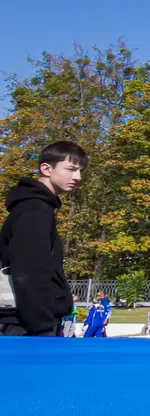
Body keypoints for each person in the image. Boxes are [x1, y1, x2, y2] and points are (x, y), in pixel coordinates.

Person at [0, 141, 86, 336]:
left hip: (27, 324)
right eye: (71, 169)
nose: (78, 177)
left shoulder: (39, 207)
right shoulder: (34, 210)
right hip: (24, 328)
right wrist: (43, 328)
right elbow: (29, 274)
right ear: (46, 169)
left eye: (80, 171)